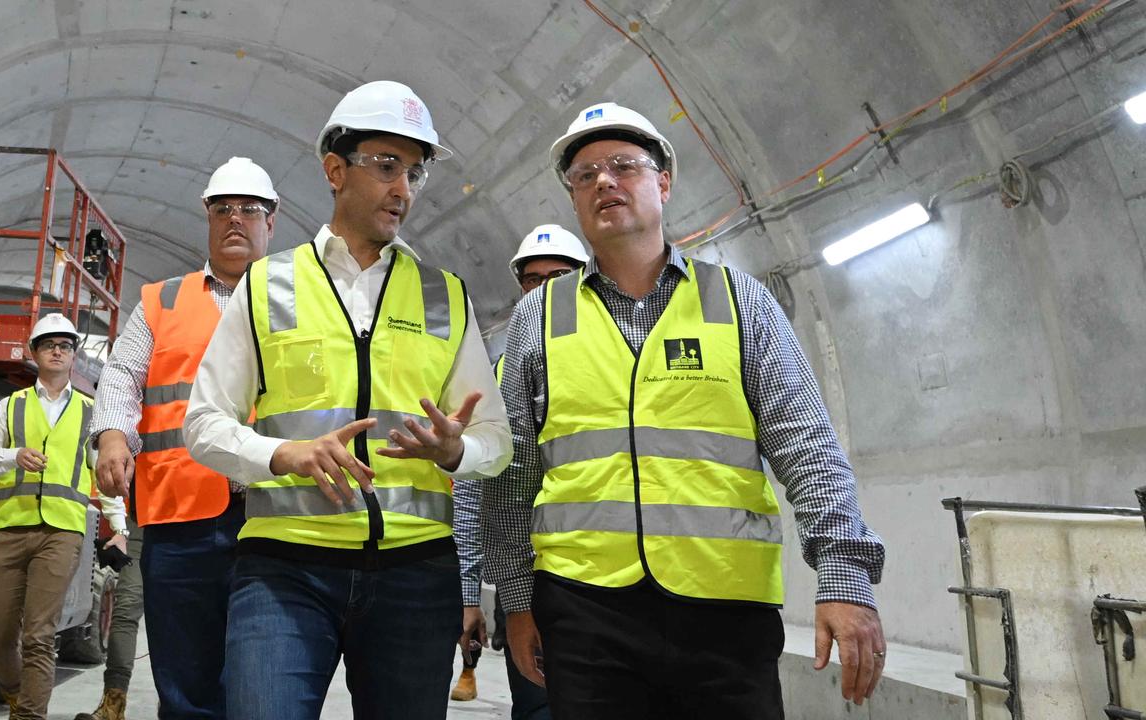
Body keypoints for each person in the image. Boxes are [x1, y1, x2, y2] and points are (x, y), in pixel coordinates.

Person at [483, 102, 888, 719]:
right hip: (586, 611)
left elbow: (807, 448)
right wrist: (515, 600)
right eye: (585, 175)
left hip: (726, 612)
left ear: (664, 182)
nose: (604, 182)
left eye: (624, 165)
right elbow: (512, 473)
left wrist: (844, 578)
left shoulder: (738, 302)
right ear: (573, 199)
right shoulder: (538, 318)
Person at [182, 80, 511, 720]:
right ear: (336, 170)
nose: (403, 190)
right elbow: (203, 423)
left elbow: (496, 442)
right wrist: (283, 454)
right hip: (284, 571)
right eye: (385, 166)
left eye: (413, 173)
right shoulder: (268, 284)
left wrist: (456, 450)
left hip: (416, 576)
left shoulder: (445, 296)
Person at [90, 156, 279, 718]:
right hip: (181, 519)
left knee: (266, 679)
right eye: (223, 209)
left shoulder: (300, 300)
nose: (235, 220)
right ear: (207, 218)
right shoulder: (161, 302)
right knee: (186, 682)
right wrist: (113, 435)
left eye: (249, 209)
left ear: (273, 219)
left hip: (276, 515)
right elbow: (123, 374)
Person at [452, 224, 587, 713]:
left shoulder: (613, 360)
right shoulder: (500, 375)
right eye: (533, 280)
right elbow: (474, 495)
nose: (546, 289)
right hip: (529, 585)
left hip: (606, 583)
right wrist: (471, 593)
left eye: (560, 276)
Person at [0, 313, 126, 720]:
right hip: (9, 528)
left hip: (62, 532)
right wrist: (12, 456)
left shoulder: (92, 413)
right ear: (34, 352)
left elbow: (106, 476)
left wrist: (119, 528)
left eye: (66, 345)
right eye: (49, 344)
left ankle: (28, 716)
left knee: (39, 634)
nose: (58, 350)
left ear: (73, 356)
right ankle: (17, 695)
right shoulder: (11, 406)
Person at [73, 517, 142, 720]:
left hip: (196, 526)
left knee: (178, 618)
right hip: (143, 524)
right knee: (126, 609)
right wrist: (121, 526)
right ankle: (113, 706)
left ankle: (174, 706)